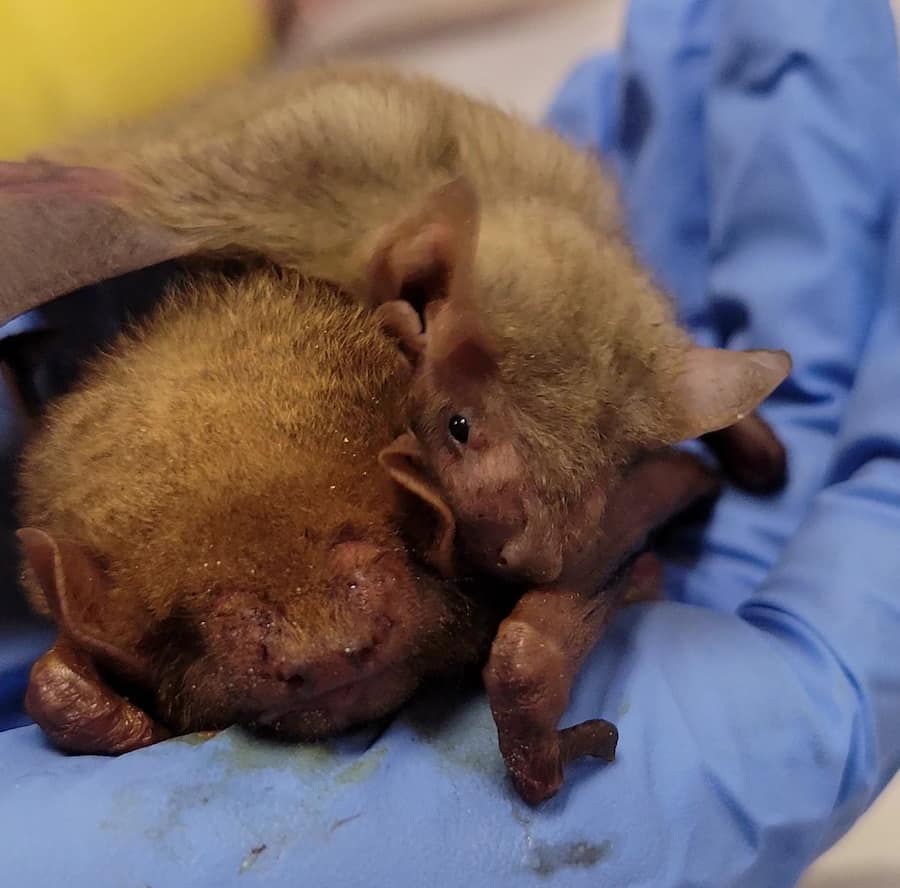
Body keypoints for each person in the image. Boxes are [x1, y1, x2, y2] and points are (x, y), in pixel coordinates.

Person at [2, 0, 900, 885]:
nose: (323, 653)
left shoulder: (480, 455)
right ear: (107, 630)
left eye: (358, 571)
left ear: (427, 507)